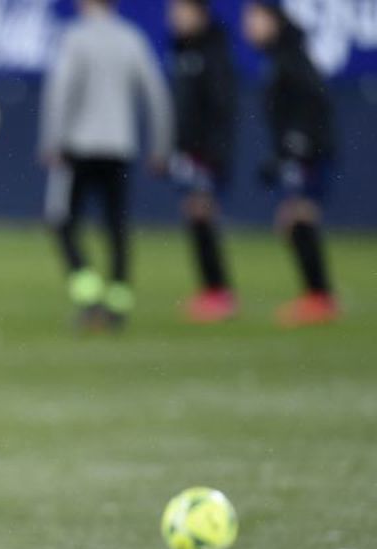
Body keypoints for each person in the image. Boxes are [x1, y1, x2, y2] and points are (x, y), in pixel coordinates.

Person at [39, 0, 172, 329]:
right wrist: (161, 145)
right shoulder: (131, 38)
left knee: (63, 222)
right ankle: (117, 302)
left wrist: (51, 140)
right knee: (117, 226)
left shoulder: (76, 37)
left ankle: (89, 297)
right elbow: (156, 94)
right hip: (119, 148)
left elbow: (61, 91)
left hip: (79, 147)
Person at [242, 0, 339, 326]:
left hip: (308, 152)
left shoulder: (290, 56)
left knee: (299, 217)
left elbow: (315, 101)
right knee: (293, 220)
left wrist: (296, 145)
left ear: (274, 21)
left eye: (255, 18)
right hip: (300, 150)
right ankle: (317, 295)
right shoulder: (280, 55)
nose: (249, 26)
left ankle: (319, 297)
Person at [168, 0, 238, 323]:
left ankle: (219, 291)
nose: (175, 17)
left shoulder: (212, 53)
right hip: (191, 150)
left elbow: (220, 108)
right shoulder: (185, 51)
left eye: (181, 11)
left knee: (203, 214)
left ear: (200, 14)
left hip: (207, 152)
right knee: (194, 214)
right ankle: (212, 289)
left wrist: (211, 152)